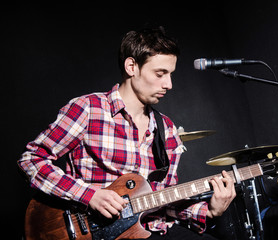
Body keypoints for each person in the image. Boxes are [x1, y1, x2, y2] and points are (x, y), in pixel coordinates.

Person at [18, 26, 236, 239]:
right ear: (132, 66)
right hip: (88, 230)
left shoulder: (166, 129)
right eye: (160, 73)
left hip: (145, 230)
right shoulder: (89, 109)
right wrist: (89, 195)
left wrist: (208, 211)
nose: (169, 84)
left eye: (170, 74)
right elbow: (31, 160)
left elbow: (162, 200)